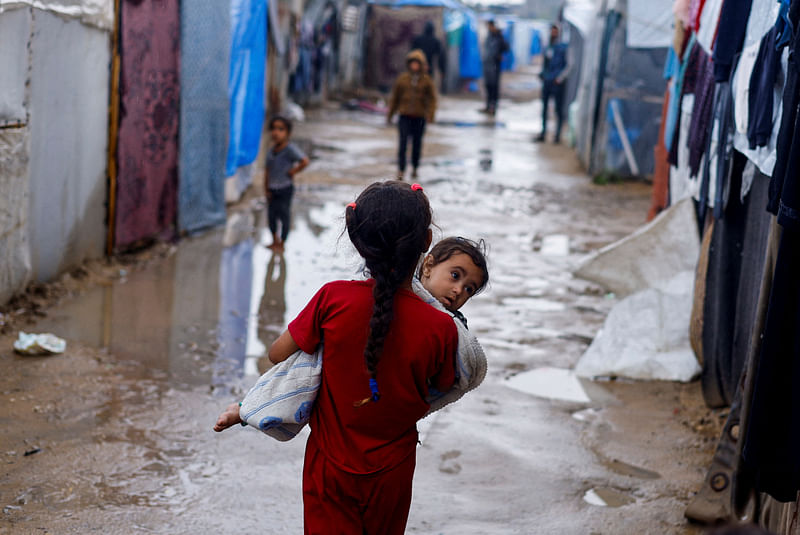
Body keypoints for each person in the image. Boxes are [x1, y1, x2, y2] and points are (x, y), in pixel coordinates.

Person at [215, 181, 459, 534]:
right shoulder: (441, 327)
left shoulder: (333, 299)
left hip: (329, 466)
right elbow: (443, 384)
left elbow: (276, 354)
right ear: (425, 243)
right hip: (393, 469)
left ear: (358, 241)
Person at [387, 50, 437, 180]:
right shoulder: (403, 79)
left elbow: (432, 99)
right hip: (404, 116)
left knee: (417, 144)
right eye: (412, 63)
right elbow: (395, 98)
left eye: (417, 63)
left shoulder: (426, 80)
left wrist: (430, 114)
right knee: (402, 144)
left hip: (419, 117)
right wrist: (390, 114)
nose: (414, 66)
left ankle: (415, 167)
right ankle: (401, 169)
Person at [264, 116, 309, 250]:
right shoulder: (271, 152)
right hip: (272, 189)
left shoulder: (290, 150)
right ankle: (274, 240)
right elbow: (267, 172)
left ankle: (282, 242)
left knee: (284, 215)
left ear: (288, 133)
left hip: (285, 188)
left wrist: (292, 171)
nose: (276, 132)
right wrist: (266, 188)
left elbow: (304, 161)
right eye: (273, 129)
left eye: (280, 129)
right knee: (271, 216)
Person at [535, 24, 570, 143]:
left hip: (557, 83)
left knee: (558, 109)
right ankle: (543, 132)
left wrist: (560, 78)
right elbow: (546, 64)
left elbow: (569, 65)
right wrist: (542, 74)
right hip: (548, 82)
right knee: (544, 108)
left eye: (555, 31)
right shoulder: (548, 47)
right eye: (552, 31)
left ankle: (557, 135)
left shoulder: (563, 48)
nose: (553, 34)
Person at [481, 19, 509, 117]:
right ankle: (488, 106)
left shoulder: (499, 37)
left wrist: (499, 55)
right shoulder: (489, 37)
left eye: (490, 26)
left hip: (495, 66)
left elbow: (506, 48)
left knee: (494, 87)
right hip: (488, 65)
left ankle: (493, 107)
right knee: (488, 86)